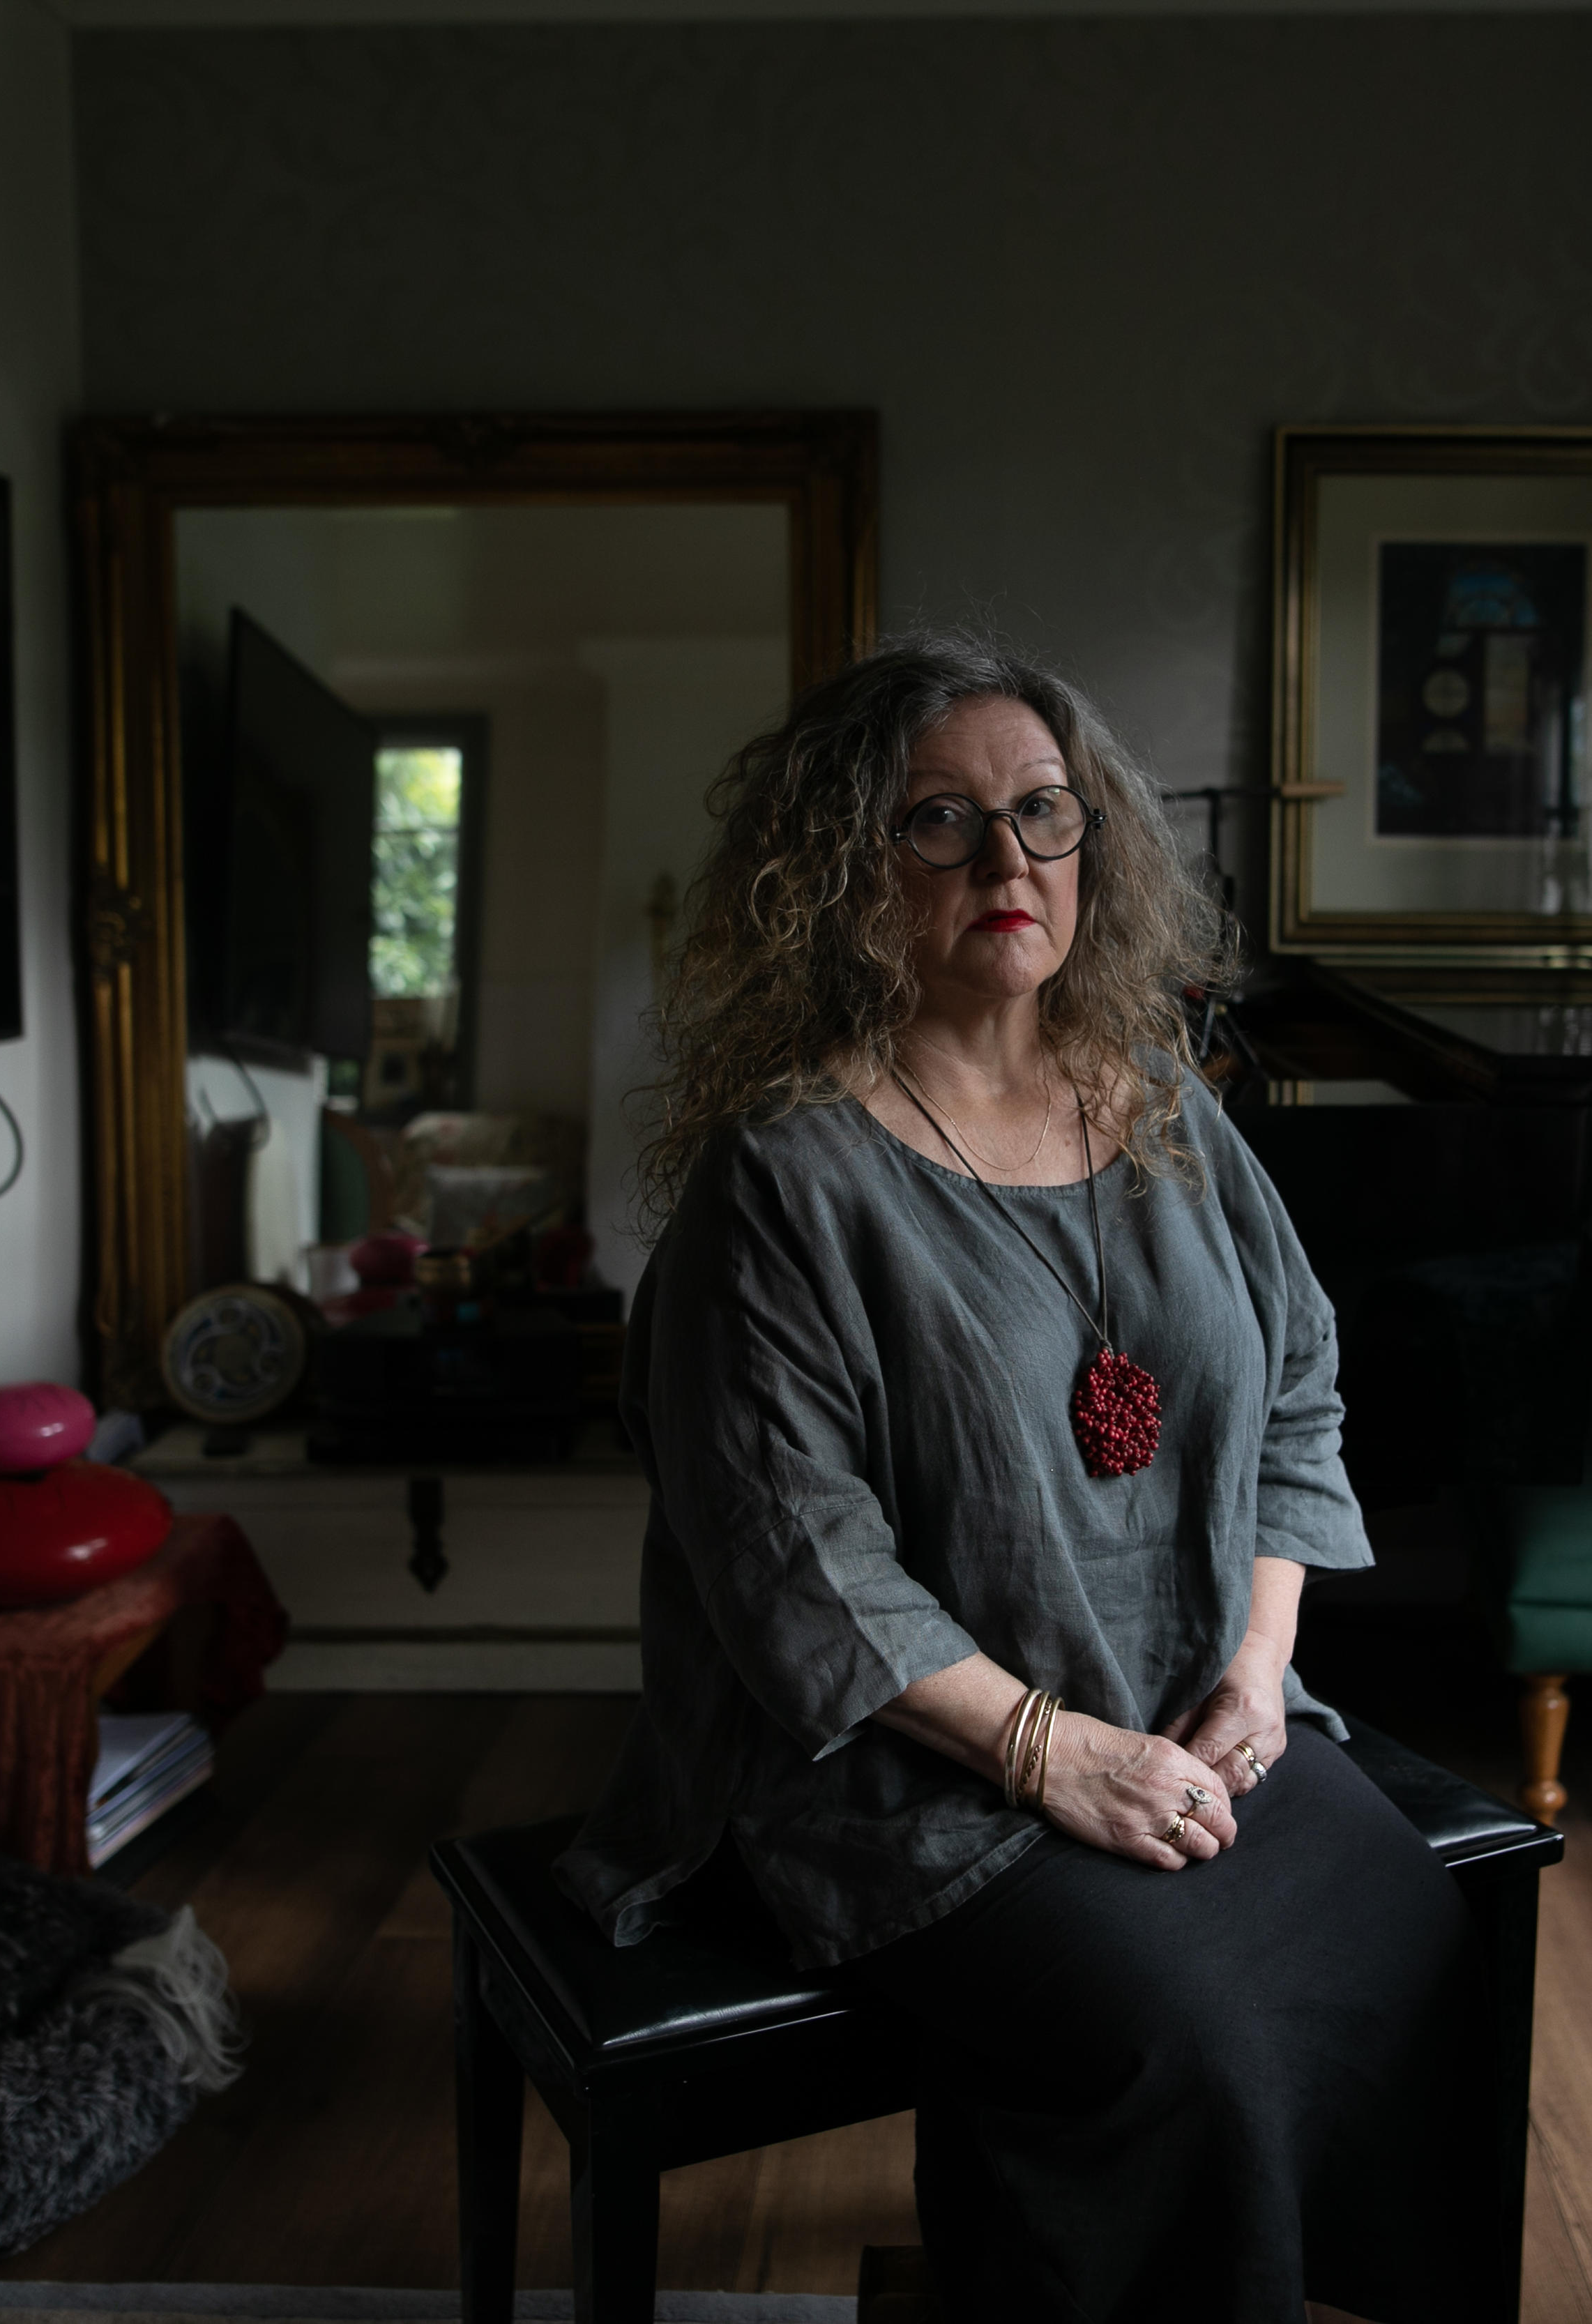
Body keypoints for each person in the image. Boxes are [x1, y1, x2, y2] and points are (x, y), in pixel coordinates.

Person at [559, 636, 1468, 2323]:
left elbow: (1297, 1393)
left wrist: (1259, 1674)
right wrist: (1057, 1754)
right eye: (940, 821)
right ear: (841, 871)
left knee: (1405, 1923)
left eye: (1043, 813)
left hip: (1196, 1708)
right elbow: (796, 1560)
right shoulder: (784, 1174)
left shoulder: (1171, 1107)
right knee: (1171, 2031)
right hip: (906, 1771)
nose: (1006, 862)